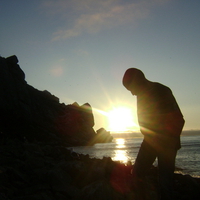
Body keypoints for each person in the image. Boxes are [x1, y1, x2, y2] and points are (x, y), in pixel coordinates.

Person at [122, 68, 185, 200]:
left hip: (167, 142)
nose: (132, 94)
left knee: (165, 182)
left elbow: (179, 119)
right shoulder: (141, 95)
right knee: (137, 173)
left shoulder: (162, 91)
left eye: (131, 89)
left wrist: (171, 141)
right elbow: (144, 121)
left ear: (138, 82)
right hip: (150, 141)